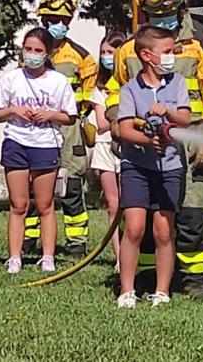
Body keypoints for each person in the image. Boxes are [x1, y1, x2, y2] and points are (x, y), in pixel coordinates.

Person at [106, 0, 203, 299]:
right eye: (155, 1)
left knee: (192, 215)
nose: (163, 7)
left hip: (191, 149)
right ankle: (147, 279)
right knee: (144, 221)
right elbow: (115, 92)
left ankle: (194, 281)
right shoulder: (129, 51)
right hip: (144, 150)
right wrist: (121, 125)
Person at [115, 25, 192, 308]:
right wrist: (147, 142)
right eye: (168, 52)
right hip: (136, 167)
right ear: (147, 56)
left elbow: (185, 120)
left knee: (163, 231)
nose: (173, 57)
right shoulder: (130, 90)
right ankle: (126, 291)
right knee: (134, 228)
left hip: (170, 168)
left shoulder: (178, 84)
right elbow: (124, 130)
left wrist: (168, 111)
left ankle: (162, 291)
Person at [0, 28, 78, 274]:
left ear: (48, 53)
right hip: (16, 142)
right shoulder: (11, 79)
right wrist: (14, 111)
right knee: (18, 204)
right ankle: (15, 258)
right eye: (28, 49)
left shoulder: (58, 81)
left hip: (45, 144)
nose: (31, 55)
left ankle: (48, 256)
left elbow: (70, 116)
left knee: (45, 204)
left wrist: (50, 115)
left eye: (38, 51)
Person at [23, 0, 98, 259]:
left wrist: (81, 116)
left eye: (63, 20)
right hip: (37, 128)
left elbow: (89, 95)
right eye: (53, 19)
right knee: (35, 186)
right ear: (43, 20)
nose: (59, 24)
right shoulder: (32, 53)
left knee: (72, 186)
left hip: (69, 128)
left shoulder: (81, 56)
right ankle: (29, 239)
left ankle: (77, 242)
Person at [88, 31, 128, 270]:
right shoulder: (99, 89)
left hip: (125, 147)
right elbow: (102, 123)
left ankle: (134, 253)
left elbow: (105, 121)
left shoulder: (129, 83)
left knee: (129, 203)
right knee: (113, 205)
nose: (106, 57)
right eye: (103, 52)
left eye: (111, 53)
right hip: (104, 147)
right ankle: (119, 257)